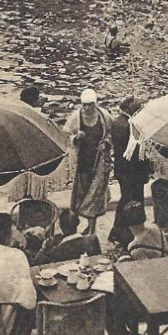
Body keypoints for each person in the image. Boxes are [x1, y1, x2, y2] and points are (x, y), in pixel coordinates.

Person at [64, 88, 114, 235]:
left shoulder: (104, 116)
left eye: (90, 105)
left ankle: (92, 227)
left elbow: (112, 133)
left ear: (95, 104)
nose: (87, 108)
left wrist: (106, 143)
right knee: (82, 193)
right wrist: (76, 138)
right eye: (84, 105)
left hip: (99, 161)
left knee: (96, 194)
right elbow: (66, 136)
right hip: (83, 161)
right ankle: (82, 225)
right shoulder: (75, 117)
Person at [109, 95, 152, 246]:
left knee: (125, 198)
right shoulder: (129, 125)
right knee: (132, 201)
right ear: (129, 108)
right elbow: (136, 151)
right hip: (132, 172)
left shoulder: (118, 122)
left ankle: (118, 231)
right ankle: (124, 232)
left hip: (124, 170)